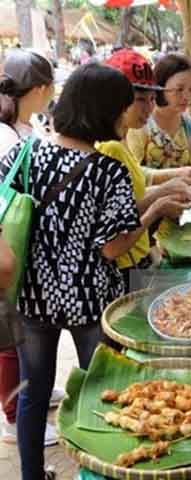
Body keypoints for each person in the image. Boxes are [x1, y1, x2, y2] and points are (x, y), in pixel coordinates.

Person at [0, 62, 186, 480]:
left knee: (33, 394)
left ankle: (32, 476)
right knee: (107, 392)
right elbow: (113, 245)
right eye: (123, 109)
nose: (126, 118)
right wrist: (155, 209)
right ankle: (106, 471)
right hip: (89, 301)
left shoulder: (27, 152)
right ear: (103, 111)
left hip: (33, 297)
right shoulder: (109, 171)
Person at [0, 49, 65, 448]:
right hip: (8, 248)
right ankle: (12, 417)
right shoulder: (6, 136)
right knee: (9, 338)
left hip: (24, 247)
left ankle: (30, 397)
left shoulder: (24, 125)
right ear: (40, 89)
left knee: (21, 335)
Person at [99, 49, 191, 288]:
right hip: (124, 267)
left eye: (151, 99)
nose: (148, 108)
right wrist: (159, 202)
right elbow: (114, 241)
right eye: (140, 100)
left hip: (143, 252)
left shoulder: (120, 141)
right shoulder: (111, 147)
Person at [126, 53, 191, 177]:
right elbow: (131, 173)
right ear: (161, 86)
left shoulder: (188, 124)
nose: (186, 97)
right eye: (179, 89)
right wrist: (175, 174)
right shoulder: (140, 122)